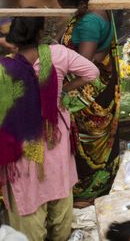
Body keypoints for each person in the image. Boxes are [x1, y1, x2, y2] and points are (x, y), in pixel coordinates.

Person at [0, 16, 98, 240]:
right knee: (60, 195)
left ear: (14, 36)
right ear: (40, 33)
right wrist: (64, 90)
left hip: (22, 150)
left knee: (29, 202)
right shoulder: (58, 55)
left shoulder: (5, 68)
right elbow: (92, 72)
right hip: (55, 141)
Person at [55, 0, 120, 202]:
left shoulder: (88, 24)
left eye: (66, 10)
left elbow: (85, 67)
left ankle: (90, 185)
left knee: (83, 133)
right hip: (98, 76)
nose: (65, 14)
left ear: (81, 6)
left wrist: (63, 87)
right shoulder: (96, 7)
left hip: (90, 85)